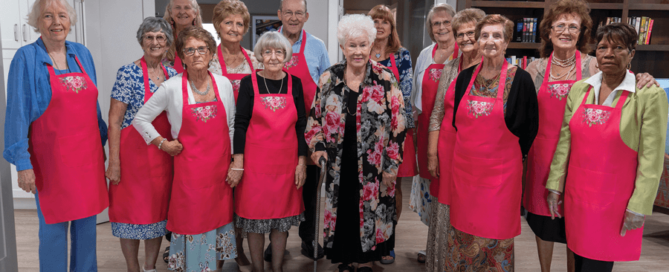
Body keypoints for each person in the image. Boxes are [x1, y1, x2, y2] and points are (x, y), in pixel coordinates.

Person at [523, 2, 658, 271]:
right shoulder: (534, 69)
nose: (566, 31)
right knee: (544, 224)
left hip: (586, 160)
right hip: (544, 160)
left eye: (573, 26)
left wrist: (644, 76)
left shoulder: (596, 64)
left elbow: (623, 79)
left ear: (582, 32)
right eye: (559, 25)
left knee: (577, 229)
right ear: (548, 31)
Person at [3, 0, 108, 271]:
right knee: (53, 230)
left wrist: (103, 145)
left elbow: (93, 108)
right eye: (47, 16)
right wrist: (23, 164)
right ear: (37, 22)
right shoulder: (26, 57)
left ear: (70, 21)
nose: (56, 22)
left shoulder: (82, 53)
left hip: (87, 158)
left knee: (87, 227)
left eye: (62, 15)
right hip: (50, 162)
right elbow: (17, 113)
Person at [306, 14, 407, 272]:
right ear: (342, 47)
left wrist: (392, 166)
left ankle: (366, 262)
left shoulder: (385, 79)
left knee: (373, 213)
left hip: (375, 166)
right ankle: (347, 260)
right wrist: (317, 149)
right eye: (352, 45)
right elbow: (314, 121)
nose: (358, 51)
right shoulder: (328, 79)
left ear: (371, 45)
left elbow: (399, 125)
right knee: (345, 213)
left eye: (363, 44)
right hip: (339, 163)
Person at [133, 27, 237, 272]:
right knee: (191, 220)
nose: (196, 54)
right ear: (181, 56)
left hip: (220, 171)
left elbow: (231, 124)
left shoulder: (223, 84)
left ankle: (215, 268)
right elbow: (140, 119)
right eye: (189, 50)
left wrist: (234, 162)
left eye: (202, 49)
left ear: (211, 53)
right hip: (189, 171)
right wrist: (162, 143)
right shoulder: (170, 87)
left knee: (219, 220)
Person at [447, 14, 538, 271]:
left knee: (495, 238)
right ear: (477, 41)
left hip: (501, 176)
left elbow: (530, 128)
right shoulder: (464, 78)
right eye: (484, 35)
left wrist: (506, 159)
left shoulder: (521, 80)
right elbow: (457, 122)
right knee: (462, 234)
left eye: (497, 36)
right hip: (465, 175)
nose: (490, 41)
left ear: (507, 41)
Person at [228, 31, 307, 272]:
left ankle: (278, 267)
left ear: (287, 56)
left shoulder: (295, 83)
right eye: (268, 52)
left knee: (281, 222)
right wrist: (238, 162)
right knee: (254, 221)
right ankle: (258, 269)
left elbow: (302, 123)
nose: (273, 57)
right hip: (255, 165)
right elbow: (240, 123)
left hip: (286, 165)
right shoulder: (248, 82)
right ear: (260, 55)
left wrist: (302, 162)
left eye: (279, 51)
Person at [106, 17, 177, 272]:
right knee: (129, 213)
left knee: (156, 213)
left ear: (168, 41)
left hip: (162, 156)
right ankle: (132, 268)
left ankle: (150, 268)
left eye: (160, 37)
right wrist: (113, 162)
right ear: (141, 41)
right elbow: (114, 121)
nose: (155, 42)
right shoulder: (128, 73)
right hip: (132, 156)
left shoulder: (173, 74)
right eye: (149, 37)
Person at [425, 8, 485, 271]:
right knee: (445, 210)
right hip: (448, 150)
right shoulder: (450, 67)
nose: (465, 38)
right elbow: (437, 112)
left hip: (479, 154)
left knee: (473, 210)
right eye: (460, 34)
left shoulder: (493, 69)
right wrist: (431, 153)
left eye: (471, 32)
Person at [271, 0, 331, 261]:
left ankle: (308, 239)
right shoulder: (269, 43)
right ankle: (276, 242)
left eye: (298, 13)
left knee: (309, 186)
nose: (293, 18)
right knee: (279, 186)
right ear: (279, 15)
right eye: (288, 13)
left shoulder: (317, 46)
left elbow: (327, 86)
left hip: (310, 128)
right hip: (276, 130)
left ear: (306, 16)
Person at [406, 3, 458, 264]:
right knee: (430, 191)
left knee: (450, 190)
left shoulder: (464, 54)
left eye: (446, 22)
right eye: (436, 24)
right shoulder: (426, 54)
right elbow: (416, 95)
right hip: (426, 131)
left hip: (453, 134)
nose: (441, 27)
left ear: (455, 24)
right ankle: (433, 244)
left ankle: (451, 247)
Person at [367, 5, 412, 264]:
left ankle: (387, 238)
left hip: (395, 129)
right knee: (367, 187)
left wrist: (397, 128)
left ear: (391, 27)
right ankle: (368, 236)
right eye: (375, 21)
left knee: (391, 186)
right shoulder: (360, 49)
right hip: (365, 132)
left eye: (385, 22)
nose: (380, 26)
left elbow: (405, 93)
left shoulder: (401, 55)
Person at [210, 0, 260, 101]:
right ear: (218, 25)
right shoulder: (208, 59)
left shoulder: (256, 60)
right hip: (220, 116)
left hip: (249, 116)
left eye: (239, 24)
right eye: (228, 23)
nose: (234, 29)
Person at [162, 0, 203, 73]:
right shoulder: (161, 40)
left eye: (187, 7)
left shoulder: (204, 41)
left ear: (195, 13)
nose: (182, 12)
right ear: (170, 12)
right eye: (178, 7)